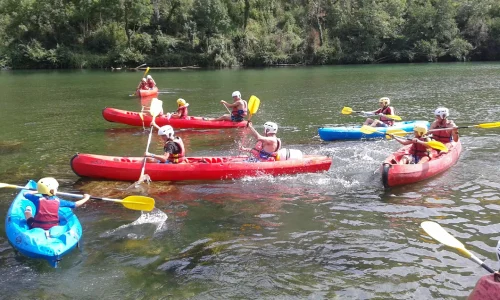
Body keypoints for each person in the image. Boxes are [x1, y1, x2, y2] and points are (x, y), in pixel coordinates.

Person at [23, 177, 90, 230]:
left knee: (27, 212)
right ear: (52, 190)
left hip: (36, 226)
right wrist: (86, 198)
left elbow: (25, 193)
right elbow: (75, 204)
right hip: (54, 227)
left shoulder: (36, 199)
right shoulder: (58, 201)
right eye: (56, 188)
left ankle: (28, 209)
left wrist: (38, 191)